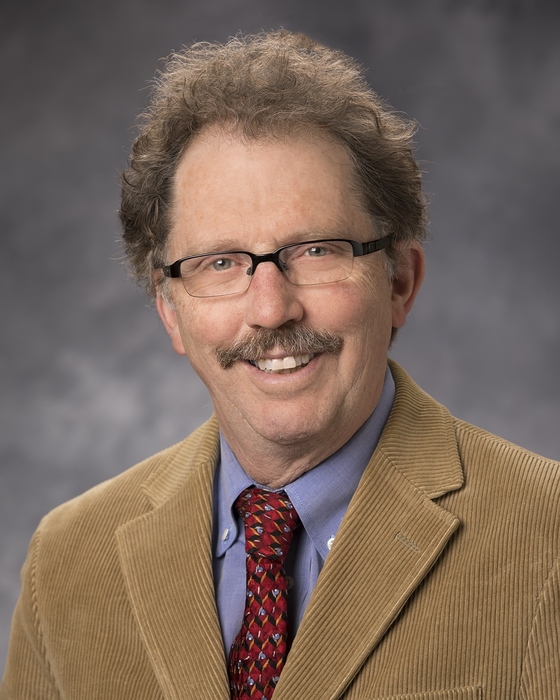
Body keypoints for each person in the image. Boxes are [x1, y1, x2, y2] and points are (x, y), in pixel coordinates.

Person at [2, 30, 559, 700]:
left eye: (316, 250)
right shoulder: (67, 562)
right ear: (170, 310)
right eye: (220, 263)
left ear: (400, 281)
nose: (270, 310)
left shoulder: (547, 541)